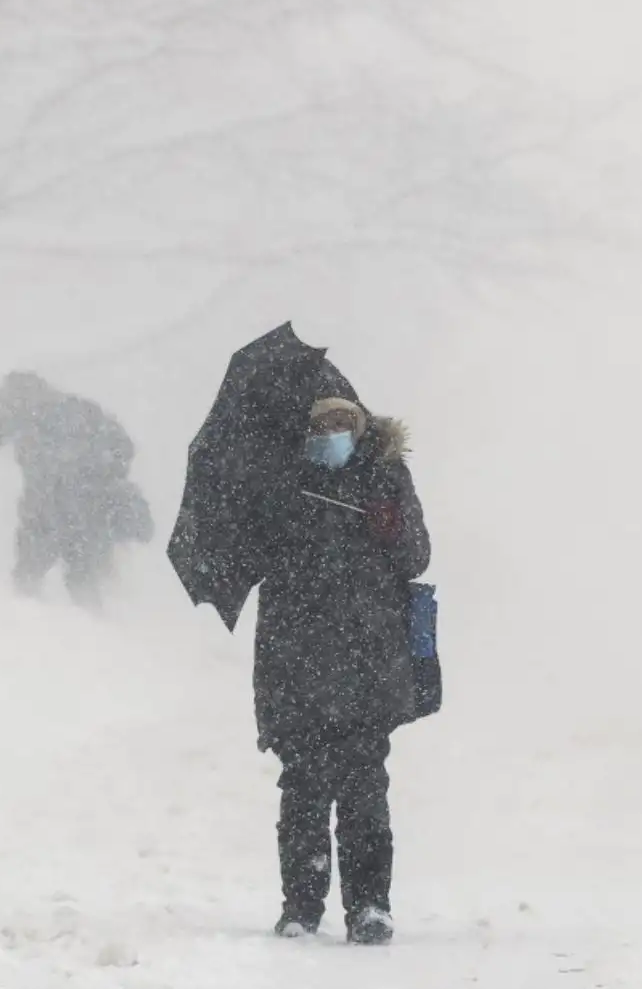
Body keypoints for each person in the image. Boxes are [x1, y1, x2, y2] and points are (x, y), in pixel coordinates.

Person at [253, 379, 431, 946]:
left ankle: (370, 907)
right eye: (319, 426)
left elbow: (416, 556)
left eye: (340, 425)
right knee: (302, 790)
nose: (329, 435)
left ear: (358, 430)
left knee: (363, 791)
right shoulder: (285, 484)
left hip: (368, 663)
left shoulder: (385, 478)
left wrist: (390, 526)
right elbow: (253, 555)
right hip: (296, 660)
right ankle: (300, 909)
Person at [0, 371, 152, 606]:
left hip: (73, 515)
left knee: (66, 580)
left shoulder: (69, 414)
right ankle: (48, 630)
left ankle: (86, 633)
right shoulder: (35, 417)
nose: (10, 412)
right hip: (52, 515)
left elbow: (121, 447)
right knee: (48, 580)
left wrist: (94, 474)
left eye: (13, 404)